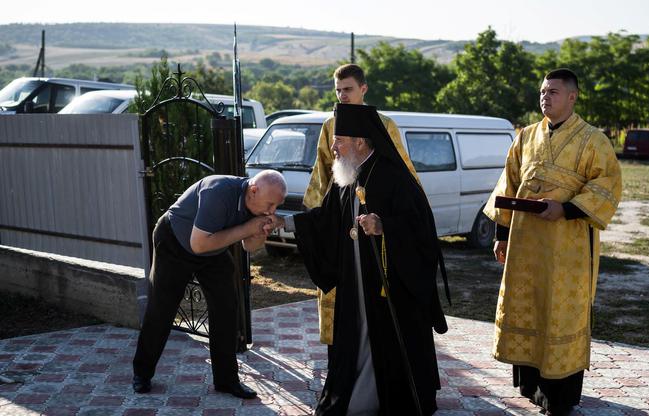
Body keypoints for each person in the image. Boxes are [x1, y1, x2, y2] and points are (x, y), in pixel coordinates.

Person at [279, 103, 448, 415]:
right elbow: (325, 220)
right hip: (355, 284)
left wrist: (384, 226)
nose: (333, 146)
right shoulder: (348, 177)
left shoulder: (395, 178)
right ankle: (357, 396)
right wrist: (287, 223)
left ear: (359, 141)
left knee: (390, 347)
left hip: (390, 290)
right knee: (356, 337)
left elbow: (422, 229)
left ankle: (388, 401)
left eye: (339, 140)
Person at [483, 69, 622, 416]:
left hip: (568, 245)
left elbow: (607, 185)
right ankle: (531, 387)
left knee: (560, 312)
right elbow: (508, 184)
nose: (546, 97)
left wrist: (566, 208)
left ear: (572, 97)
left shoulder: (593, 140)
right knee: (529, 304)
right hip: (526, 244)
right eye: (543, 91)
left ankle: (559, 397)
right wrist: (502, 235)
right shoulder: (525, 136)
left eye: (554, 92)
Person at [132, 170, 287, 399]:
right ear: (253, 191)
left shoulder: (255, 203)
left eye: (276, 206)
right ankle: (142, 373)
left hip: (213, 248)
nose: (272, 210)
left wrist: (262, 228)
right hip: (175, 241)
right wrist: (248, 227)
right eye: (270, 204)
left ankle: (226, 380)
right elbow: (198, 245)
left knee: (226, 308)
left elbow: (249, 247)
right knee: (162, 308)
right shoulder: (218, 192)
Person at [303, 63, 420, 346]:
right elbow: (322, 172)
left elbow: (402, 170)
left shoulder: (384, 124)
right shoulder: (329, 125)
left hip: (370, 218)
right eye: (338, 90)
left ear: (363, 89)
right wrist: (317, 217)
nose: (343, 95)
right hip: (339, 217)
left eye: (348, 89)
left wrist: (413, 213)